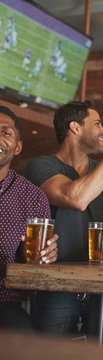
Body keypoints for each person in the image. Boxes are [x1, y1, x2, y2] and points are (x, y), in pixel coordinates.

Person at [23, 101, 103, 337]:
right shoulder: (40, 166)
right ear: (75, 127)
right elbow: (75, 198)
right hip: (56, 283)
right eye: (97, 124)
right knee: (48, 355)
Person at [0, 106, 58, 332]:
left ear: (18, 147)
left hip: (4, 302)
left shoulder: (33, 197)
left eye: (5, 132)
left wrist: (42, 254)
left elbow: (30, 261)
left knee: (24, 338)